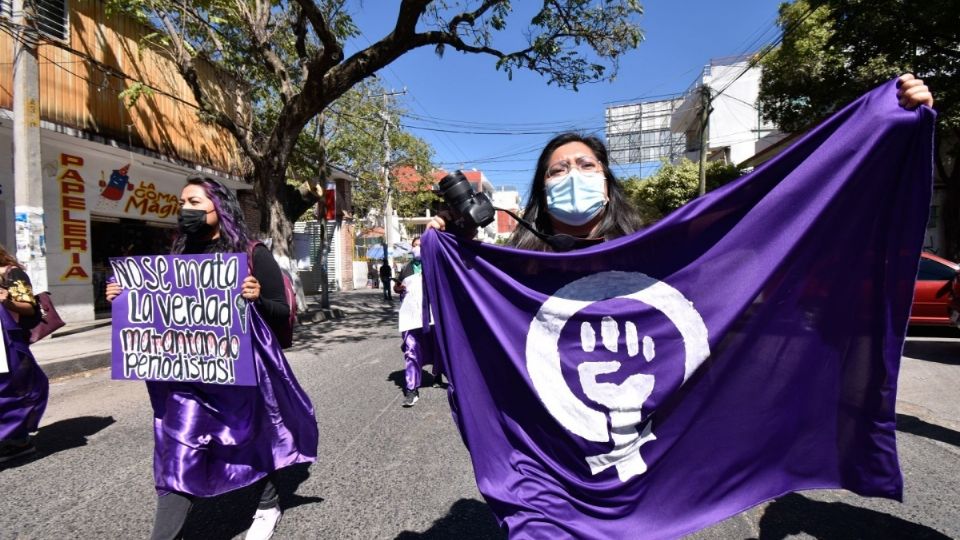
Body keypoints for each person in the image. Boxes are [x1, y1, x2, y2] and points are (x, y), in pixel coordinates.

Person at [428, 74, 935, 251]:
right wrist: (450, 244)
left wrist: (885, 125)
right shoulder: (519, 264)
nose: (572, 177)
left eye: (586, 165)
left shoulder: (658, 246)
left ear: (608, 183)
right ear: (540, 190)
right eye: (557, 171)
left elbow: (788, 210)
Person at [105, 177, 318, 540]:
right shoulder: (177, 254)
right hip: (184, 375)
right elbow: (160, 309)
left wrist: (255, 299)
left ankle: (267, 503)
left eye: (194, 201)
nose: (185, 209)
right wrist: (124, 298)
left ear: (218, 206)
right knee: (179, 445)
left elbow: (281, 312)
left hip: (235, 369)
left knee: (246, 435)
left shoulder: (253, 254)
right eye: (182, 202)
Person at [0, 246, 45, 464]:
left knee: (7, 389)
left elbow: (28, 307)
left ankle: (19, 440)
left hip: (7, 342)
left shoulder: (10, 272)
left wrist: (6, 301)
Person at [394, 237, 443, 407]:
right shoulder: (407, 267)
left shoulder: (436, 264)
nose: (416, 249)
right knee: (411, 349)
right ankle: (411, 389)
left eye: (420, 246)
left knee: (438, 345)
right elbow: (397, 286)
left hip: (432, 314)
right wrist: (399, 289)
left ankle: (438, 375)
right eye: (414, 246)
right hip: (412, 315)